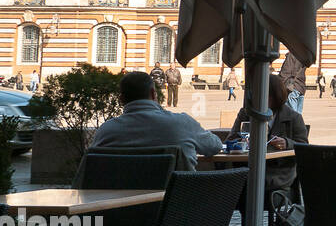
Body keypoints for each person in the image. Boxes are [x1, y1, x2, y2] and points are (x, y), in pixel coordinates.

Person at [89, 71, 223, 171]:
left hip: (121, 207)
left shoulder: (106, 131)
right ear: (153, 94)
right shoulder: (182, 123)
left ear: (121, 99)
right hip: (177, 206)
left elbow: (92, 167)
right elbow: (215, 146)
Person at [232, 74, 308, 200]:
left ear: (275, 96)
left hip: (278, 174)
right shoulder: (245, 114)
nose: (258, 99)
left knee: (250, 187)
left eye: (263, 95)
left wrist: (287, 143)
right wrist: (241, 142)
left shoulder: (293, 117)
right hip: (248, 170)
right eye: (256, 94)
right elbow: (231, 139)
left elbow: (304, 147)